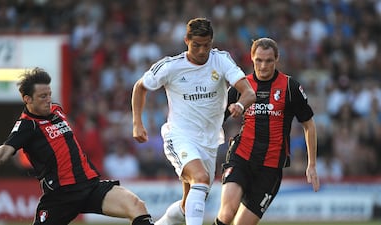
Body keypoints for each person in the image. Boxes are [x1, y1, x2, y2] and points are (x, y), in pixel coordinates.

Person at [0, 68, 154, 225]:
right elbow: (6, 148)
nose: (48, 100)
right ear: (27, 99)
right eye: (42, 96)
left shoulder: (57, 110)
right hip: (60, 196)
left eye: (49, 94)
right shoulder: (27, 126)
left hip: (89, 186)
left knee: (137, 206)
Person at [131, 17, 256, 225]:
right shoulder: (171, 66)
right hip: (179, 135)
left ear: (212, 42)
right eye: (196, 45)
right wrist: (137, 122)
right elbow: (140, 87)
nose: (201, 51)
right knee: (200, 178)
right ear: (186, 40)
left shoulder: (221, 60)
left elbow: (249, 93)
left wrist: (240, 105)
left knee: (187, 205)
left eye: (206, 45)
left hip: (209, 141)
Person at [213, 37, 320, 225]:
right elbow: (215, 120)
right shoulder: (241, 85)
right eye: (259, 60)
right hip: (241, 156)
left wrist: (311, 164)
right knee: (227, 213)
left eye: (269, 61)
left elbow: (308, 125)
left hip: (270, 167)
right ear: (252, 59)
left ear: (276, 59)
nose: (263, 66)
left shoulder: (290, 87)